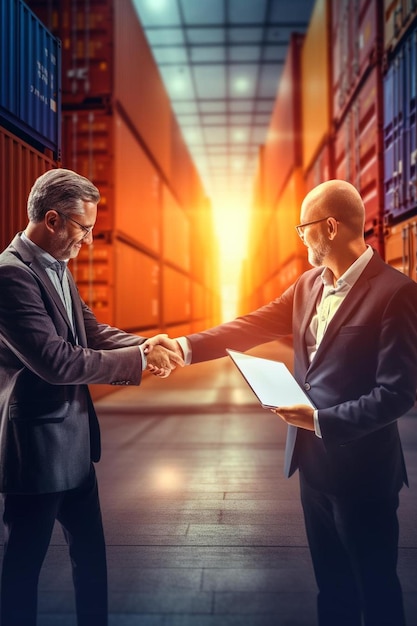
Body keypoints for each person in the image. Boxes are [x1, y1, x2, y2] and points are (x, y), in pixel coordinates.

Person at [145, 179, 417, 626]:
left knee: (377, 589)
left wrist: (320, 420)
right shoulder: (308, 284)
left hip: (365, 474)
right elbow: (249, 326)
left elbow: (397, 394)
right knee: (332, 590)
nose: (301, 236)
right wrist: (183, 347)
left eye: (303, 227)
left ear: (329, 227)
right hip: (313, 469)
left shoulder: (395, 293)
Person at [0, 168, 182, 626]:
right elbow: (58, 361)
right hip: (39, 452)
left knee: (91, 560)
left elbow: (91, 331)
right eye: (84, 229)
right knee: (23, 569)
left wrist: (144, 345)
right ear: (54, 220)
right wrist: (140, 363)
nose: (89, 240)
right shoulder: (10, 276)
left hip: (76, 448)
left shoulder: (57, 268)